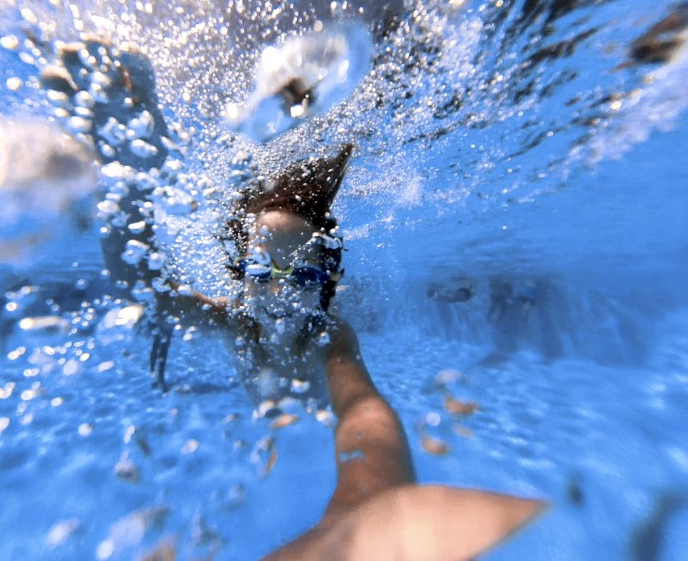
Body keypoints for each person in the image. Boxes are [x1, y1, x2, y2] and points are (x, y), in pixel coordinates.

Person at [47, 40, 546, 559]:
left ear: (325, 283)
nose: (280, 293)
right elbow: (142, 289)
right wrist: (126, 178)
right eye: (262, 273)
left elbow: (362, 409)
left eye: (302, 275)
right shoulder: (236, 320)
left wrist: (371, 499)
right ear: (241, 278)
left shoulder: (330, 339)